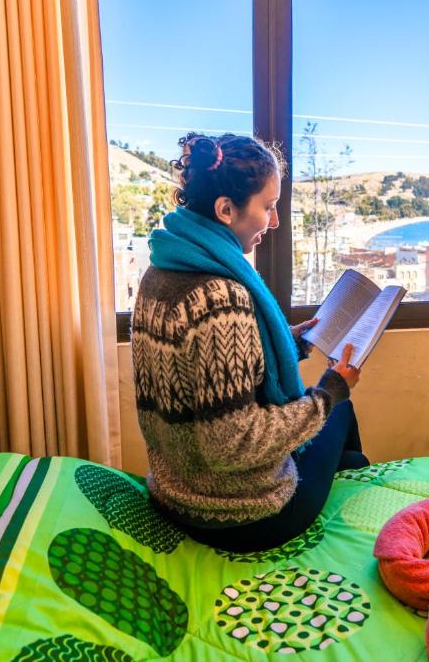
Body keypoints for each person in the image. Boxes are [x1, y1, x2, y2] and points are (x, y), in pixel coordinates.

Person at [132, 132, 369, 553]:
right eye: (268, 206)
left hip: (173, 492)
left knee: (332, 426)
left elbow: (199, 370)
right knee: (341, 410)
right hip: (240, 516)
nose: (274, 222)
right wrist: (330, 392)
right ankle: (355, 525)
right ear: (226, 209)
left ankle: (342, 487)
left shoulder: (161, 271)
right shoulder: (222, 298)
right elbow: (232, 443)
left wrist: (285, 341)